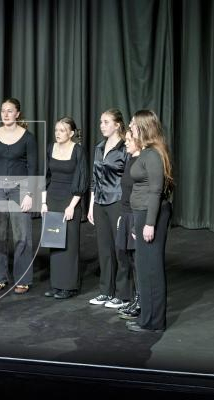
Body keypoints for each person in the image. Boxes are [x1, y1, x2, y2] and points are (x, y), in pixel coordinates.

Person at [0, 98, 37, 295]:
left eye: (10, 111)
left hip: (19, 189)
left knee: (22, 236)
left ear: (17, 114)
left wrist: (30, 194)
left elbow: (33, 167)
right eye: (3, 110)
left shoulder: (28, 138)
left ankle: (23, 279)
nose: (5, 114)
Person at [126, 110, 173, 333]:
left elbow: (155, 191)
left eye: (133, 124)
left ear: (143, 127)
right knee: (144, 269)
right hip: (142, 214)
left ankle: (154, 322)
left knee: (151, 269)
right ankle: (146, 318)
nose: (130, 127)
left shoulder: (153, 154)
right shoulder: (144, 151)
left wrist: (149, 224)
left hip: (150, 214)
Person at [87, 108, 131, 308]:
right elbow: (95, 180)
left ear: (117, 124)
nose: (101, 126)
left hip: (117, 202)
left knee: (120, 248)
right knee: (104, 249)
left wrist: (126, 207)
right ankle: (106, 291)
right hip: (100, 203)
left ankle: (123, 294)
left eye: (106, 122)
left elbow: (129, 179)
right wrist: (90, 205)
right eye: (101, 122)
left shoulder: (125, 148)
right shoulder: (99, 147)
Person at [41, 117, 88, 299]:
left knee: (69, 244)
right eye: (56, 130)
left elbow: (82, 179)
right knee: (55, 242)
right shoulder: (50, 148)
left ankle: (69, 286)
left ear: (71, 133)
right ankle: (56, 285)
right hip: (53, 199)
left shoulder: (77, 151)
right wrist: (44, 202)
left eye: (62, 130)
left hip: (70, 201)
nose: (58, 133)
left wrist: (72, 206)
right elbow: (46, 177)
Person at [116, 128, 141, 320]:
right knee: (129, 259)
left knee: (138, 260)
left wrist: (134, 221)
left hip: (135, 216)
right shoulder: (129, 160)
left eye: (128, 140)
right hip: (125, 215)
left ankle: (141, 300)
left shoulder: (142, 163)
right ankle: (135, 297)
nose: (125, 143)